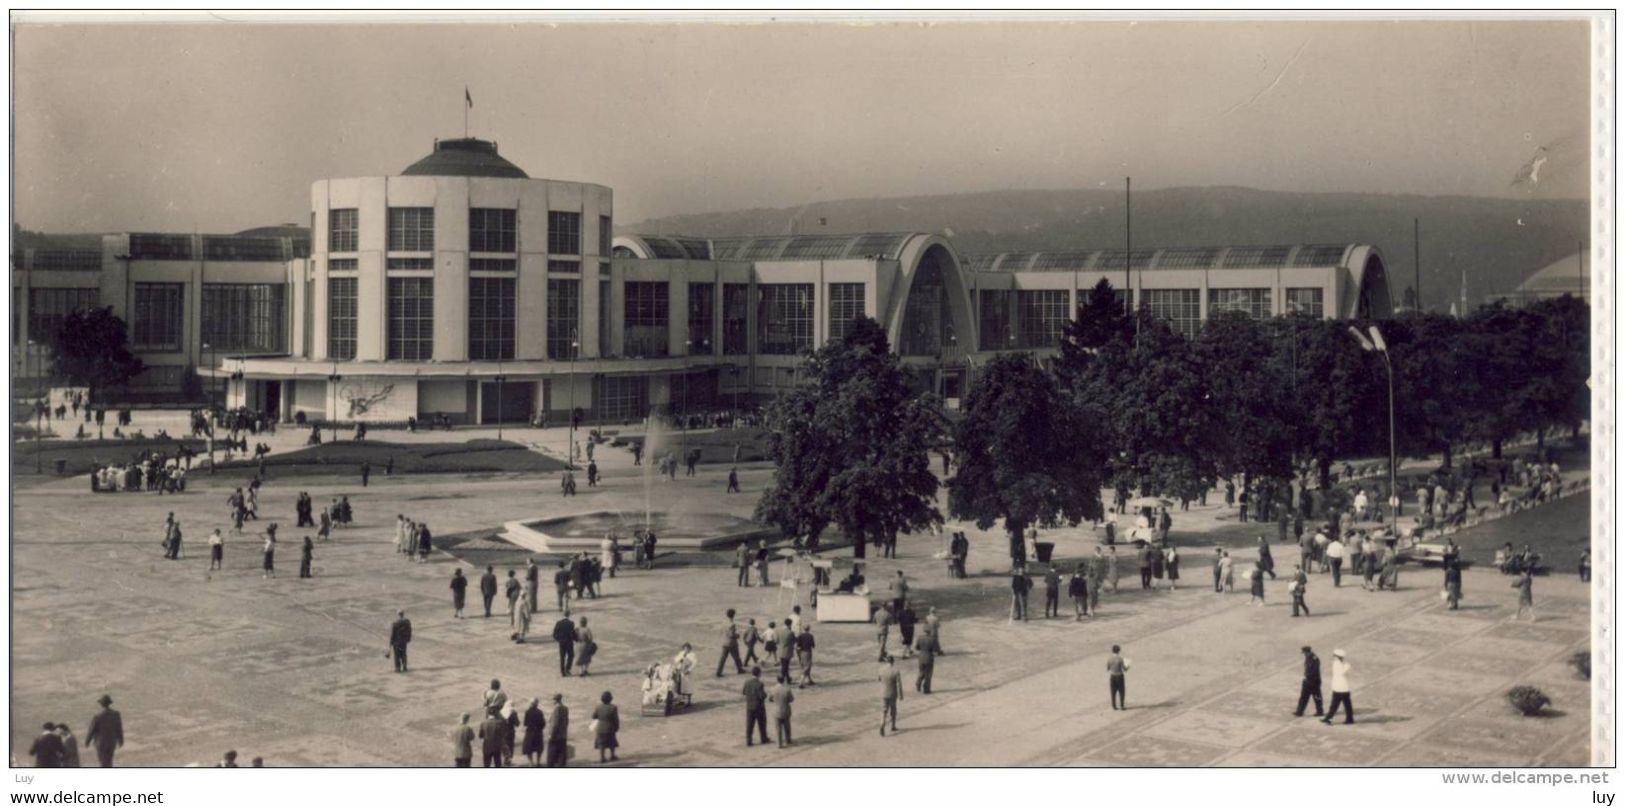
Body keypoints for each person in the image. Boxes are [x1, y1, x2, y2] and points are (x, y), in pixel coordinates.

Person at [85, 694, 123, 767]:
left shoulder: (97, 716)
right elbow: (119, 728)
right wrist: (121, 740)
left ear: (101, 704)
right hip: (112, 742)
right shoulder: (116, 715)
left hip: (101, 743)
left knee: (102, 762)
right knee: (109, 761)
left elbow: (91, 730)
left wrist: (87, 742)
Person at [1322, 649, 1354, 724]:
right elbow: (1343, 673)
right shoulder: (1339, 664)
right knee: (1345, 705)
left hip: (1341, 688)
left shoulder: (1339, 664)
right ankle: (1349, 719)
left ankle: (1329, 719)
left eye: (1335, 656)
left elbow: (1341, 673)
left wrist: (1346, 667)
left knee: (1336, 705)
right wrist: (1347, 666)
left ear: (1337, 657)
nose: (1334, 657)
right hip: (1341, 688)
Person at [742, 666, 770, 746]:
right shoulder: (760, 683)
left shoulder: (747, 682)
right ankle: (763, 738)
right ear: (759, 674)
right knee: (762, 723)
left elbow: (744, 692)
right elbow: (762, 696)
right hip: (759, 707)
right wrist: (765, 694)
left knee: (750, 724)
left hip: (749, 706)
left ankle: (748, 740)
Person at [1294, 646, 1324, 718]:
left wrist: (1308, 675)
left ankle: (1320, 711)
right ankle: (1299, 711)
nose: (1304, 654)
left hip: (1314, 681)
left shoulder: (1315, 659)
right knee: (1303, 697)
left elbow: (1315, 671)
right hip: (1307, 681)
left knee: (1317, 697)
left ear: (1308, 652)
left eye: (1304, 653)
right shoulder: (1308, 657)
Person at [879, 654, 904, 737]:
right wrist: (901, 694)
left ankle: (882, 724)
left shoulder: (881, 669)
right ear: (893, 661)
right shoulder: (896, 671)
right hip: (893, 693)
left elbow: (879, 679)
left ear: (886, 661)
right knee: (893, 709)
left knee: (884, 710)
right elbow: (898, 684)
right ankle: (893, 726)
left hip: (884, 692)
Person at [591, 691, 620, 763]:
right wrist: (616, 727)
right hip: (610, 727)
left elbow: (593, 716)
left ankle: (602, 757)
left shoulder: (598, 707)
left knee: (601, 743)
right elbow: (615, 719)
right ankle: (612, 755)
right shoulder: (613, 707)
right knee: (612, 742)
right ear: (610, 699)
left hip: (600, 727)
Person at [717, 608, 745, 676]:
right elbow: (731, 635)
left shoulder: (723, 622)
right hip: (731, 643)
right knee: (737, 657)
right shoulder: (732, 624)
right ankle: (740, 670)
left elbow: (721, 632)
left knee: (722, 659)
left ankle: (718, 672)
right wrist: (737, 635)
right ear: (733, 615)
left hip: (724, 642)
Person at [545, 694, 570, 768]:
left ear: (555, 700)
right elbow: (566, 721)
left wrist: (551, 734)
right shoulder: (565, 708)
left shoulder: (556, 709)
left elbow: (555, 723)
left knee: (552, 753)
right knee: (562, 752)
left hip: (556, 735)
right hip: (563, 733)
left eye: (553, 699)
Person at [770, 676, 795, 748]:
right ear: (784, 680)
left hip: (776, 710)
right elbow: (791, 699)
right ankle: (788, 739)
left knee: (778, 728)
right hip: (785, 710)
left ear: (777, 680)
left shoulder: (773, 689)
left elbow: (770, 698)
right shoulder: (787, 689)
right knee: (787, 726)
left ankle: (779, 743)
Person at [522, 698, 546, 767]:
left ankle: (531, 763)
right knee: (539, 748)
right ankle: (538, 762)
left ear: (531, 704)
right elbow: (543, 723)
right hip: (538, 732)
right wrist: (540, 728)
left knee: (528, 748)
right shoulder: (540, 712)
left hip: (530, 732)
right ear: (537, 704)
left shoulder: (527, 711)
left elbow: (525, 723)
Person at [1107, 645, 1129, 710]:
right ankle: (1122, 706)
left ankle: (1114, 706)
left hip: (1112, 676)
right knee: (1121, 691)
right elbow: (1124, 669)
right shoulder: (1120, 659)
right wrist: (1128, 666)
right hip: (1119, 676)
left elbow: (1108, 668)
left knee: (1113, 691)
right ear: (1118, 651)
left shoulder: (1109, 659)